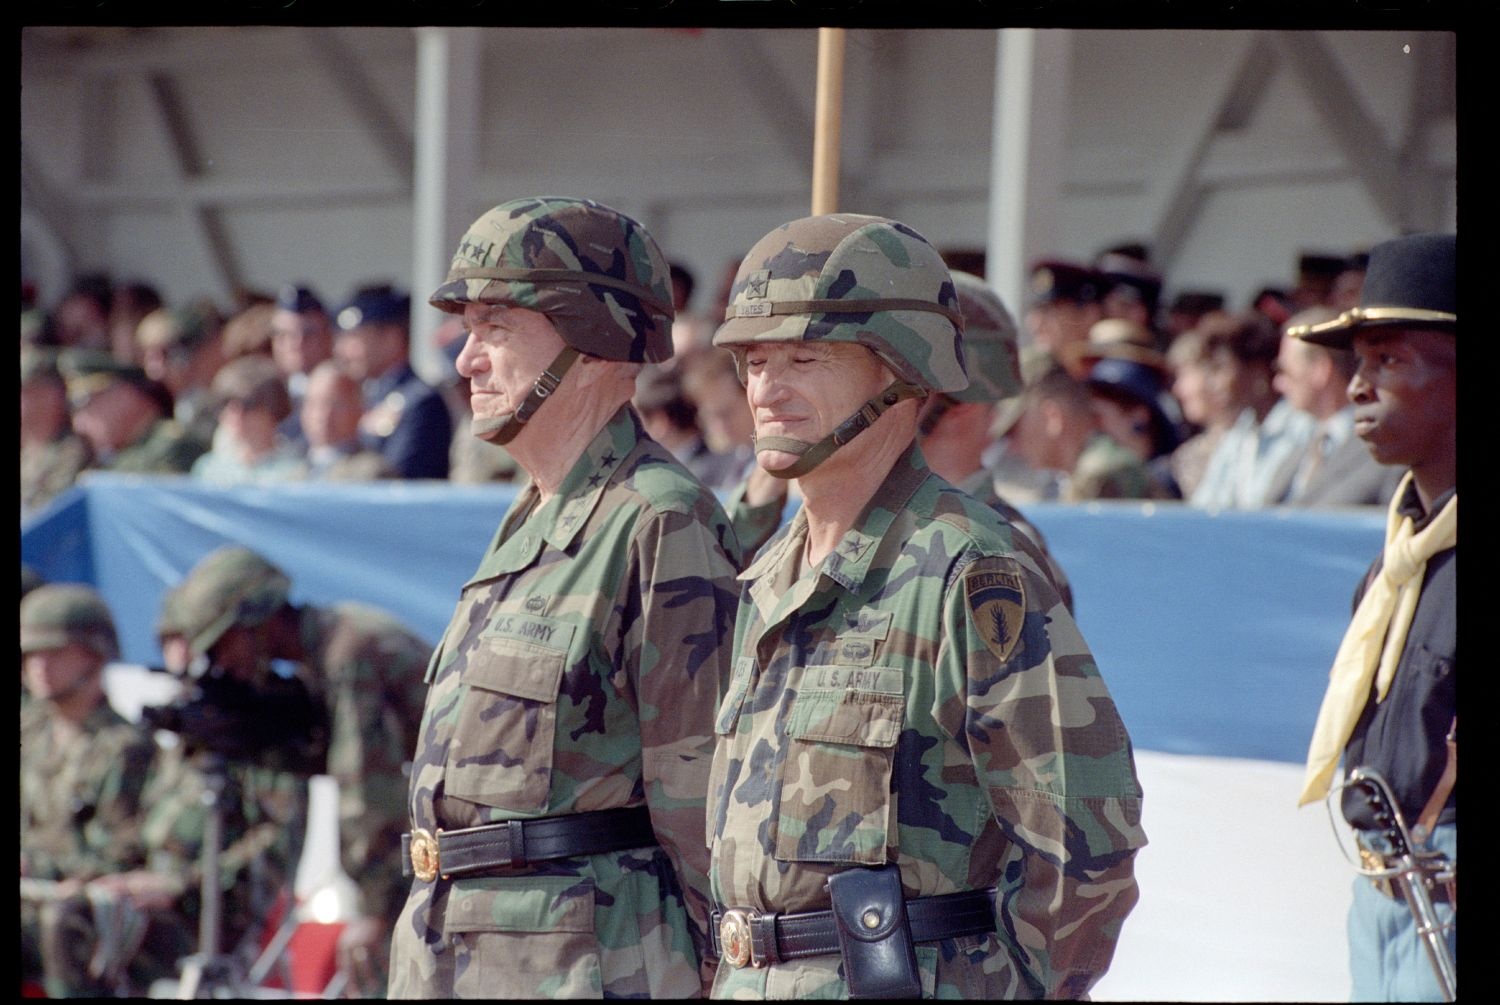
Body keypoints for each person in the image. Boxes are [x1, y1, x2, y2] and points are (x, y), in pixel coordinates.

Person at [706, 212, 1144, 999]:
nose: (767, 389)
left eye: (805, 356)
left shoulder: (970, 568)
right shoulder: (770, 575)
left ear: (902, 372)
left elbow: (1086, 849)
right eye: (754, 359)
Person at [387, 196, 742, 999]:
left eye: (496, 327)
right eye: (467, 331)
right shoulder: (532, 516)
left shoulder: (661, 521)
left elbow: (708, 818)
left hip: (586, 966)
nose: (466, 360)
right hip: (457, 955)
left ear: (591, 335)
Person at [1294, 233, 1456, 1002]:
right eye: (1357, 362)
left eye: (1388, 360)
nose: (1357, 386)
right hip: (1385, 895)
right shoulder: (1396, 561)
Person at [172, 544, 431, 996]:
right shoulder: (330, 643)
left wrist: (373, 908)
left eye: (222, 642)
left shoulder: (349, 653)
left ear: (256, 619)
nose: (222, 662)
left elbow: (367, 793)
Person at [20, 584, 157, 997]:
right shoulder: (30, 732)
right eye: (30, 654)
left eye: (55, 652)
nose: (39, 666)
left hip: (81, 912)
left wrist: (37, 866)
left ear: (94, 655)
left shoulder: (125, 748)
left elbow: (120, 853)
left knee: (62, 923)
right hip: (33, 900)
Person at [1267, 306, 1404, 508]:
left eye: (1285, 371)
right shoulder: (1301, 446)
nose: (1277, 384)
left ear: (1319, 370)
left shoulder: (1385, 450)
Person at [1183, 310, 1315, 510]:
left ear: (1257, 371)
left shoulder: (1304, 429)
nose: (1214, 383)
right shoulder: (1239, 434)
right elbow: (1205, 506)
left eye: (1221, 368)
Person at [333, 283, 453, 479]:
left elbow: (402, 481)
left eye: (355, 338)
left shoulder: (420, 401)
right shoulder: (368, 395)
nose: (343, 351)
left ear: (391, 338)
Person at [64, 350, 211, 474]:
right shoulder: (107, 461)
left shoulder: (174, 446)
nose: (78, 422)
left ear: (125, 395)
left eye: (83, 402)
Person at [190, 355, 306, 485]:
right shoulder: (208, 469)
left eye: (248, 404)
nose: (235, 412)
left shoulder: (295, 471)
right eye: (225, 403)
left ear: (274, 409)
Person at [295, 359, 399, 480]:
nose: (323, 415)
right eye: (313, 404)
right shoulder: (289, 473)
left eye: (336, 404)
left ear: (360, 408)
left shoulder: (372, 472)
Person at [21, 345, 93, 517]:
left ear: (52, 395)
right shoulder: (27, 449)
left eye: (28, 392)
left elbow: (47, 512)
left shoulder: (71, 450)